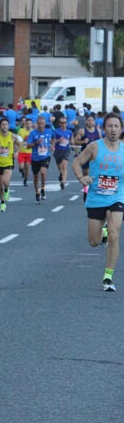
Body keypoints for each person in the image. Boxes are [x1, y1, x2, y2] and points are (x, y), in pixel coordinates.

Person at [72, 113, 124, 292]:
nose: (113, 129)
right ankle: (102, 232)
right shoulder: (94, 147)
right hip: (96, 198)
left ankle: (108, 276)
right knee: (94, 242)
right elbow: (77, 162)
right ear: (104, 129)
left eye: (116, 126)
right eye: (110, 126)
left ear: (121, 128)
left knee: (114, 233)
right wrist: (81, 177)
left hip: (117, 196)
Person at [0, 117, 19, 213]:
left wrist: (16, 152)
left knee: (5, 181)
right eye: (3, 124)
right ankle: (2, 203)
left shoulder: (12, 136)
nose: (4, 126)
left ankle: (7, 189)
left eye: (6, 124)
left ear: (8, 126)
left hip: (8, 163)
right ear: (0, 126)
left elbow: (19, 144)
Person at [26, 115, 54, 203]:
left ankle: (42, 188)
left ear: (45, 124)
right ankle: (37, 192)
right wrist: (35, 143)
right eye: (39, 124)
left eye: (42, 124)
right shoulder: (33, 133)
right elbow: (28, 145)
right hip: (35, 158)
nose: (41, 125)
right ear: (37, 124)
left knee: (43, 171)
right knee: (36, 176)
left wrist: (52, 145)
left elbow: (53, 138)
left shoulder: (49, 131)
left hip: (45, 156)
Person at [52, 116, 74, 190]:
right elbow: (52, 142)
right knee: (60, 168)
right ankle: (61, 175)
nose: (63, 124)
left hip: (66, 150)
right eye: (61, 123)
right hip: (58, 151)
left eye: (64, 122)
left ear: (66, 123)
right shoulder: (56, 131)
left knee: (64, 166)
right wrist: (58, 140)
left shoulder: (69, 132)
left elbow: (72, 141)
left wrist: (72, 143)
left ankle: (63, 182)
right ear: (59, 124)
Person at [16, 117, 33, 188]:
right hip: (22, 152)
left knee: (27, 167)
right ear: (25, 124)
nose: (28, 125)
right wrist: (16, 150)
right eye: (27, 123)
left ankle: (25, 180)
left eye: (30, 123)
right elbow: (18, 141)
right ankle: (21, 170)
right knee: (21, 166)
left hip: (29, 152)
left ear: (31, 124)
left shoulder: (33, 132)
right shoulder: (21, 131)